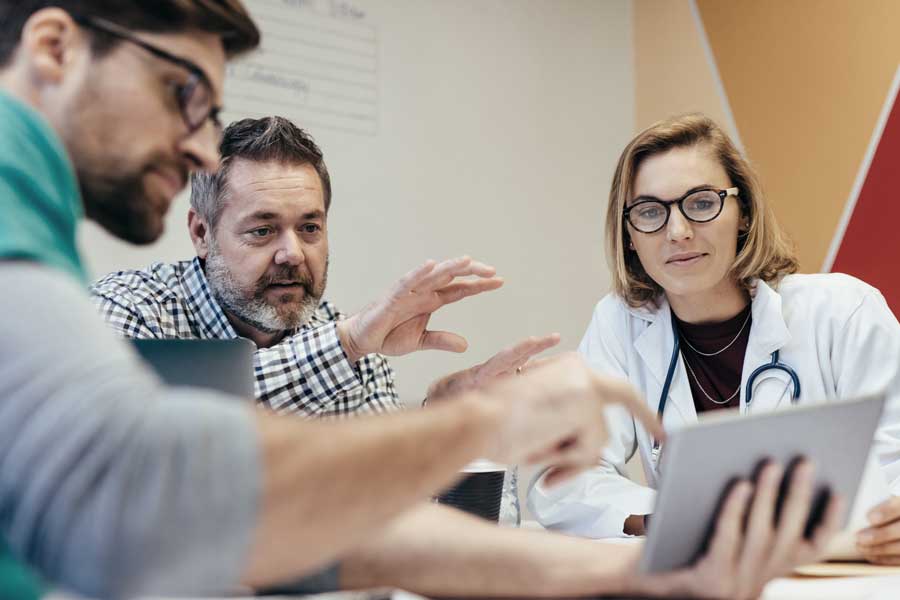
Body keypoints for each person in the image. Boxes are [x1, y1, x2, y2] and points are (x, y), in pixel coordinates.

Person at [0, 4, 841, 598]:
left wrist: (637, 569)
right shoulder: (81, 267)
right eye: (182, 91)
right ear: (53, 47)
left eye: (311, 225)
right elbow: (161, 483)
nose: (193, 139)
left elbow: (335, 522)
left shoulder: (39, 220)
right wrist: (471, 427)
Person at [527, 113, 900, 558]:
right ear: (629, 235)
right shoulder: (619, 323)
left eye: (702, 203)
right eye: (649, 212)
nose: (678, 232)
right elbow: (563, 479)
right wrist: (670, 517)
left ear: (743, 214)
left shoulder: (843, 311)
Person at [90, 115, 558, 417]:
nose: (293, 253)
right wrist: (347, 343)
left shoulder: (340, 332)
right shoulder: (129, 309)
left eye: (309, 228)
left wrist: (446, 408)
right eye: (262, 230)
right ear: (201, 233)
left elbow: (379, 481)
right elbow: (150, 440)